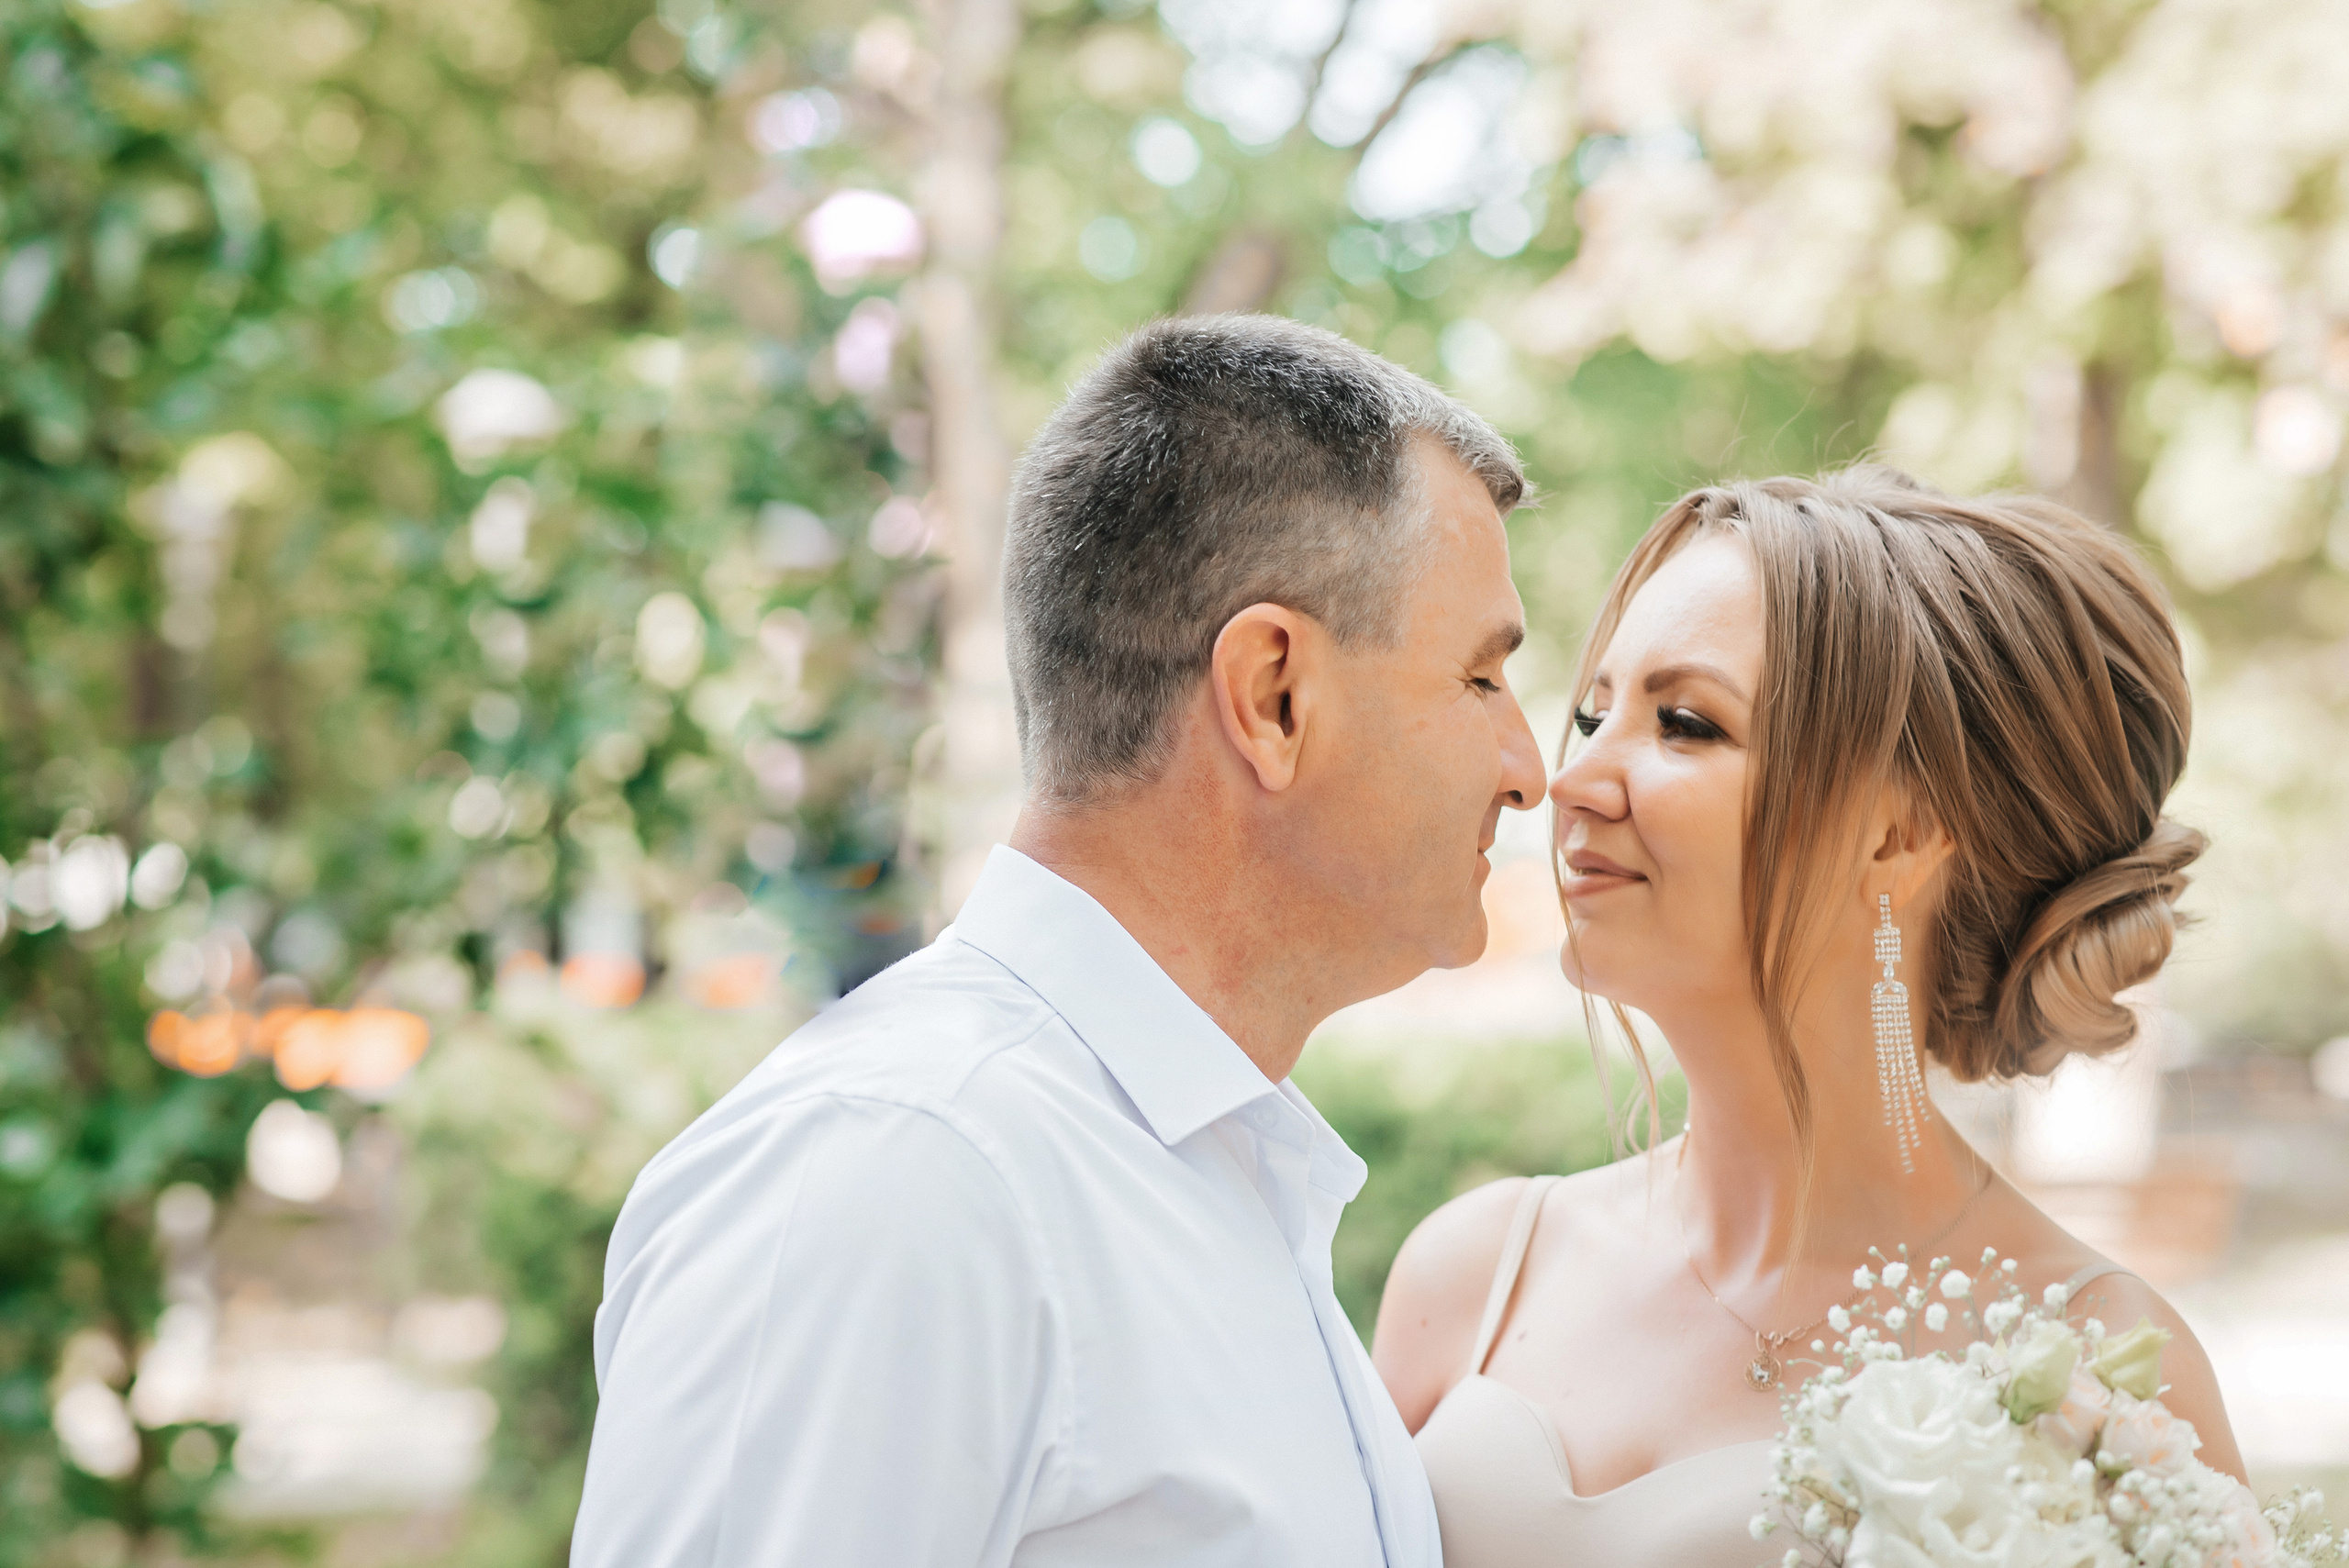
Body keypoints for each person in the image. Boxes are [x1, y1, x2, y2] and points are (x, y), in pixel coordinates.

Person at [569, 314, 1546, 1566]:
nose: (1528, 769)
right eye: (1480, 678)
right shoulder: (903, 1173)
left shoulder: (1215, 1170)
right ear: (1273, 695)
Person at [1373, 467, 2246, 1567]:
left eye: (1683, 723)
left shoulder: (2096, 1368)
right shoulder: (1474, 1270)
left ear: (1898, 834)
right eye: (1594, 713)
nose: (1572, 778)